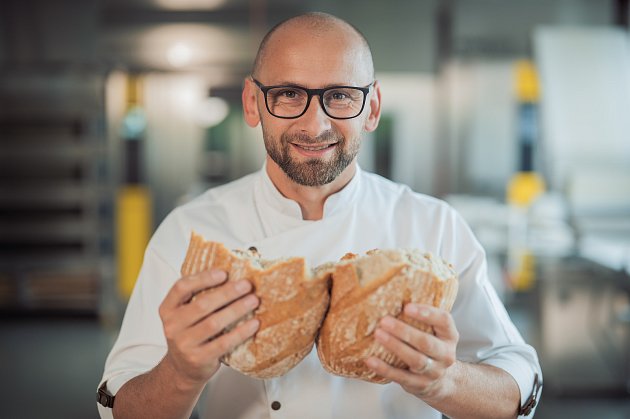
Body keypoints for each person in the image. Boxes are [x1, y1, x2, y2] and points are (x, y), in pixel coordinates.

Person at [97, 12, 542, 419]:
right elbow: (120, 407)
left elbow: (518, 388)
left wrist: (445, 382)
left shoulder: (433, 227)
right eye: (289, 94)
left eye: (341, 96)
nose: (315, 125)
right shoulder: (192, 233)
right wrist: (181, 372)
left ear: (372, 107)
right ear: (252, 103)